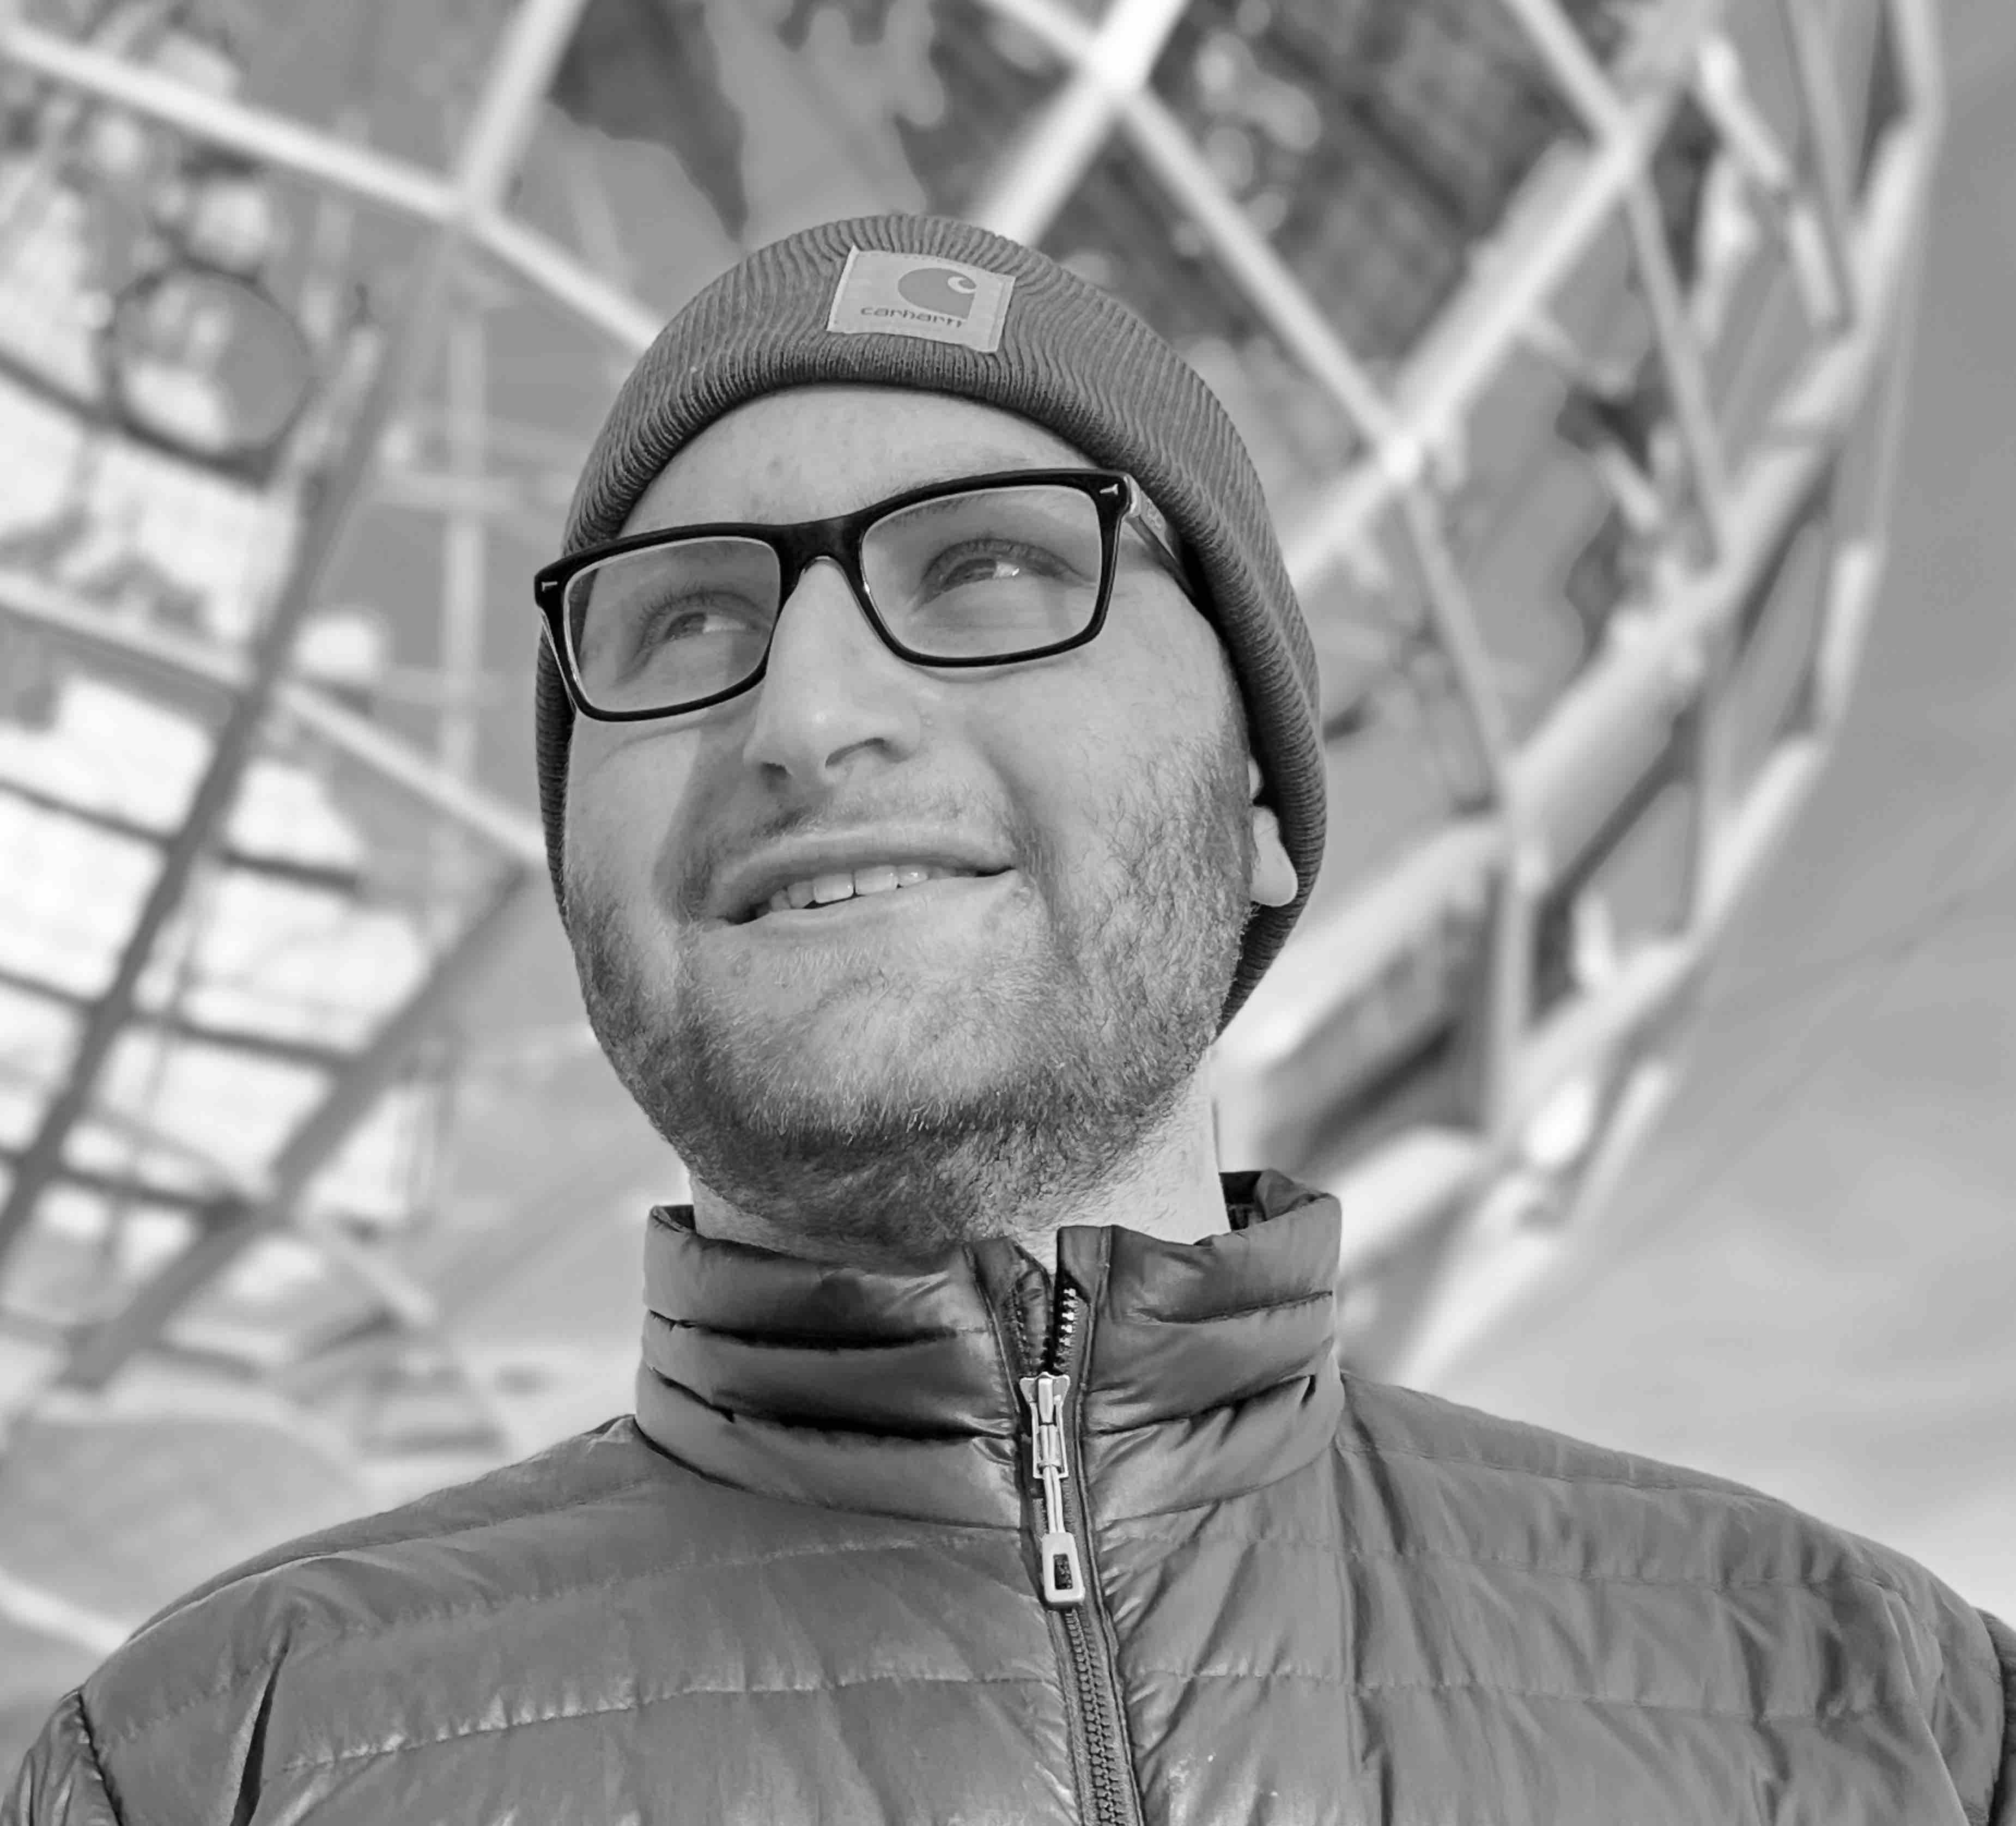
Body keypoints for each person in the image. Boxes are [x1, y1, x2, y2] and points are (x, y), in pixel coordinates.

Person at [7, 212, 2011, 1824]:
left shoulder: (1895, 1724)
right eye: (686, 619)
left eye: (986, 568)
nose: (805, 718)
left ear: (1261, 799)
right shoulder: (204, 1766)